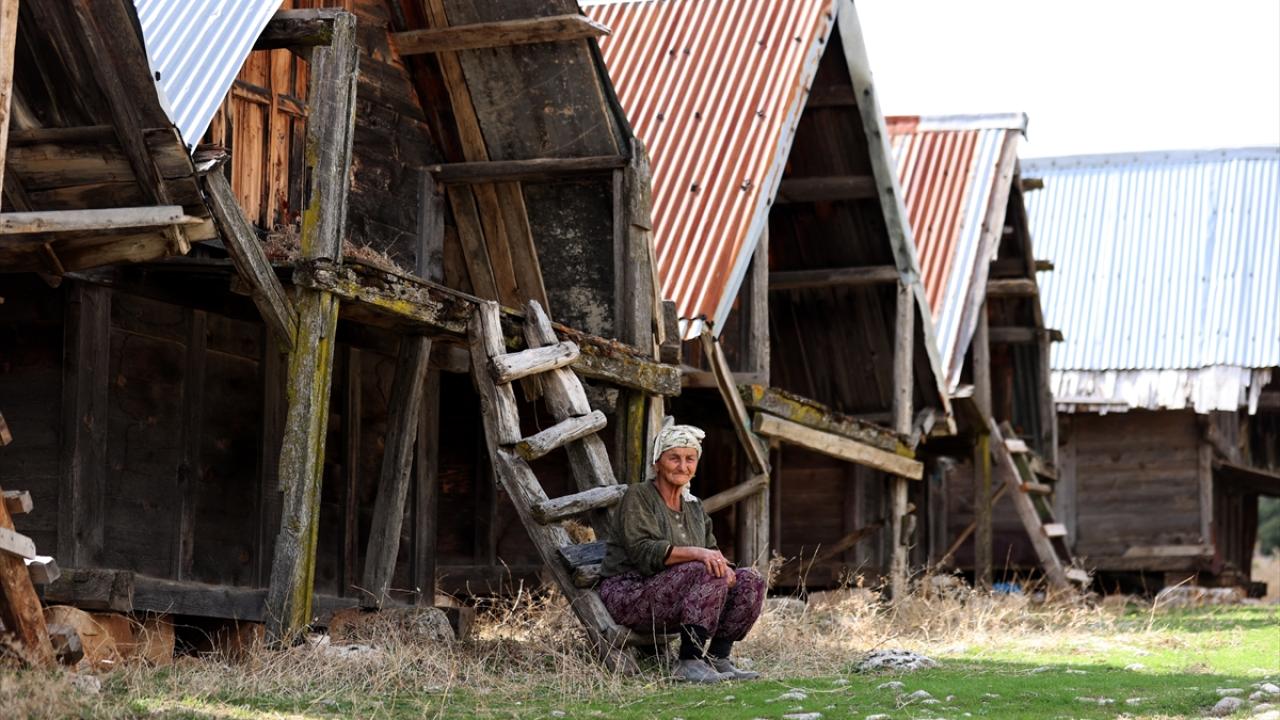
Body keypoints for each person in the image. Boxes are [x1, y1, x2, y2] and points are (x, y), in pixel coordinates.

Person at [598, 418, 766, 683]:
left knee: (750, 580)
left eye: (690, 459)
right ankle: (688, 662)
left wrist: (728, 570)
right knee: (705, 569)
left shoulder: (694, 506)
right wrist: (700, 555)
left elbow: (711, 550)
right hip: (630, 593)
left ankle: (717, 658)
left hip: (677, 593)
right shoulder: (638, 496)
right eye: (674, 458)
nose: (683, 466)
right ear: (657, 462)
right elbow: (644, 552)